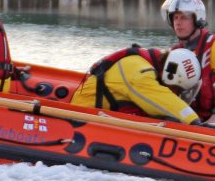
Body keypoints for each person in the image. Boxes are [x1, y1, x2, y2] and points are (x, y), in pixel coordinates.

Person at [71, 46, 201, 124]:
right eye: (177, 89)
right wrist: (193, 121)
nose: (176, 93)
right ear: (171, 75)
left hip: (100, 114)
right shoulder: (140, 73)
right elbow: (161, 98)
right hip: (83, 116)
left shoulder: (142, 64)